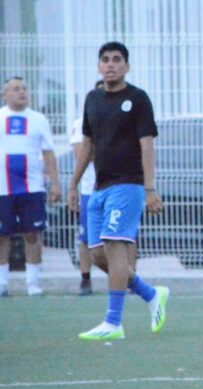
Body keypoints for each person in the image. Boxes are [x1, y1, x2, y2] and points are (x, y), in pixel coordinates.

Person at [68, 42, 167, 341]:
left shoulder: (137, 99)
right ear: (99, 66)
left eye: (116, 59)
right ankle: (152, 294)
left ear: (127, 65)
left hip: (129, 184)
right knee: (98, 255)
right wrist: (73, 184)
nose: (110, 64)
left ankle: (113, 322)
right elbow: (88, 145)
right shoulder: (93, 99)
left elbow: (146, 145)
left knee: (114, 245)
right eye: (105, 60)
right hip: (99, 188)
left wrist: (150, 188)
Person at [0, 76, 60, 297]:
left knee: (33, 233)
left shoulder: (38, 119)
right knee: (2, 235)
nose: (22, 92)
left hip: (32, 187)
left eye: (24, 88)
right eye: (16, 89)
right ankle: (2, 283)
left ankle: (32, 283)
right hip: (2, 188)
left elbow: (48, 152)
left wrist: (55, 183)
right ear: (5, 94)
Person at [69, 79, 105, 296]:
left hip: (119, 186)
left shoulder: (123, 120)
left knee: (125, 238)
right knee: (86, 238)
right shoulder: (81, 122)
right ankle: (85, 279)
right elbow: (80, 153)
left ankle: (126, 280)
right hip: (89, 189)